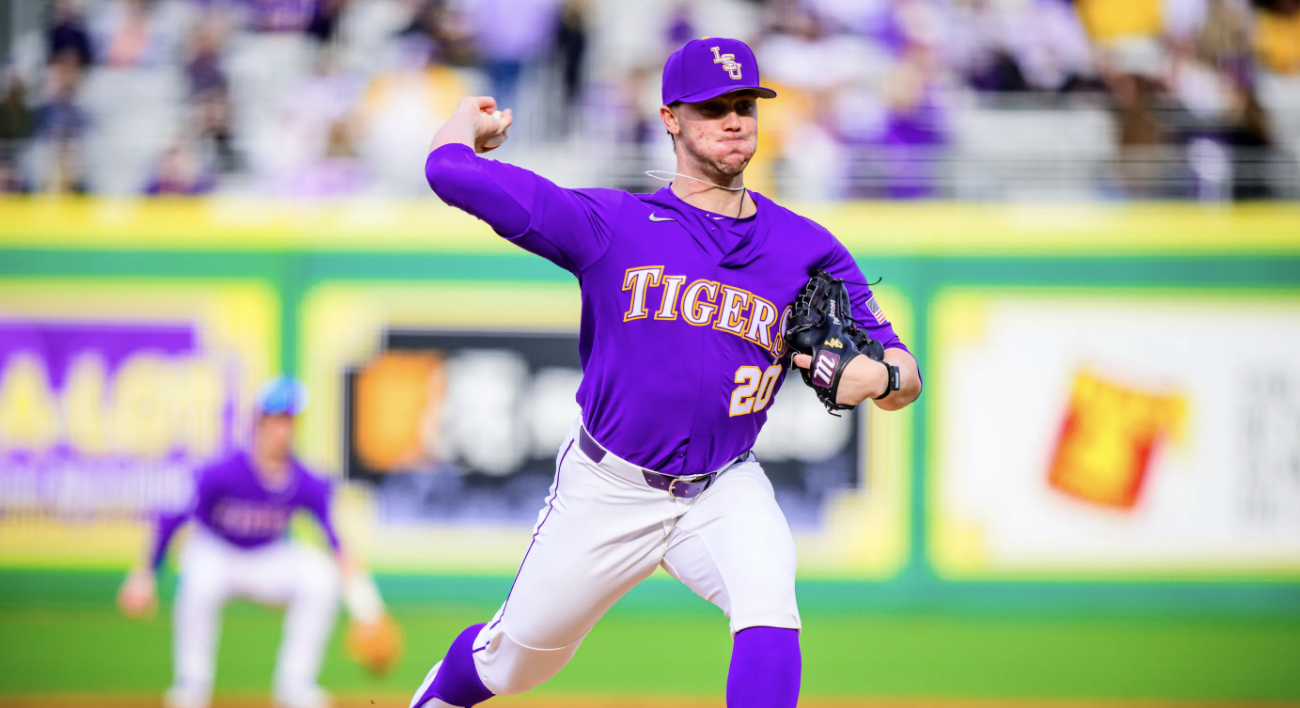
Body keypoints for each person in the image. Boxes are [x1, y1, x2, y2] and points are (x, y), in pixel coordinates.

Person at [410, 37, 922, 708]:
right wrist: (458, 130)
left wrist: (882, 381)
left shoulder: (807, 248)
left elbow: (905, 371)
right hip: (608, 487)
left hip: (723, 487)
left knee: (768, 602)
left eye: (745, 105)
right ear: (671, 119)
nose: (735, 120)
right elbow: (451, 175)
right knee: (512, 663)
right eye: (713, 108)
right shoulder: (613, 226)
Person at [118, 378, 353, 708]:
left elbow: (335, 541)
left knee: (320, 576)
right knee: (197, 577)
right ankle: (191, 685)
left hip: (268, 558)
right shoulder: (223, 472)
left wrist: (365, 607)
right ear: (258, 422)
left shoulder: (305, 480)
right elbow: (172, 518)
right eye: (275, 420)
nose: (282, 430)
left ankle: (295, 685)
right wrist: (144, 573)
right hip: (217, 553)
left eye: (289, 421)